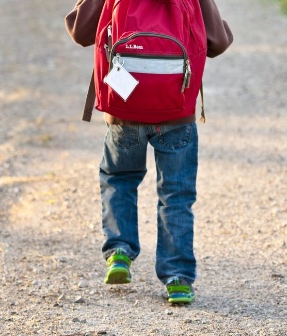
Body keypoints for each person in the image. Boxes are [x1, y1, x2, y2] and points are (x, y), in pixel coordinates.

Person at [65, 0, 232, 304]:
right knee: (176, 195)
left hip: (124, 110)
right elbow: (217, 43)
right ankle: (178, 277)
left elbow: (80, 31)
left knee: (119, 179)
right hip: (176, 114)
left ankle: (119, 250)